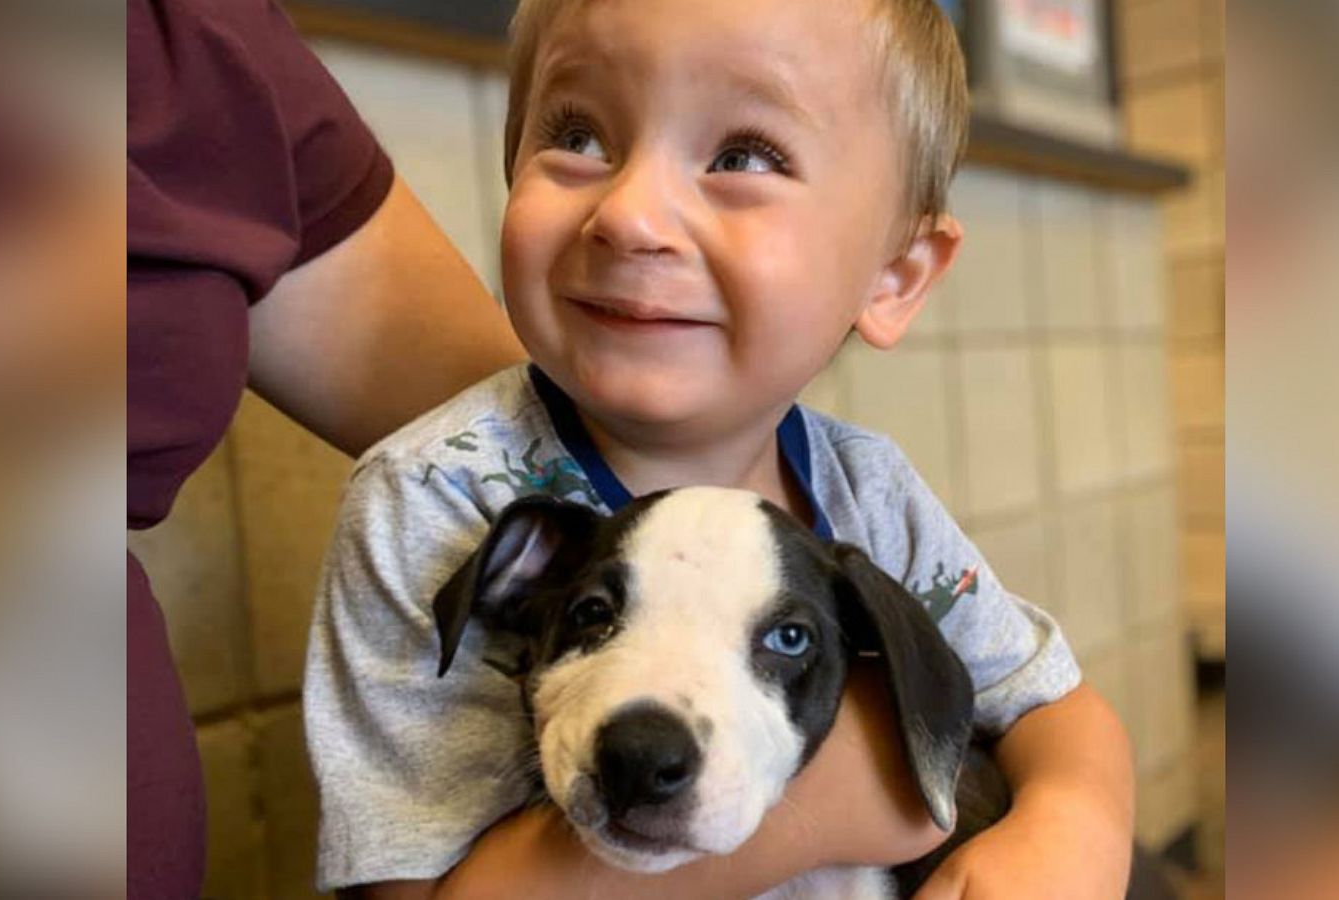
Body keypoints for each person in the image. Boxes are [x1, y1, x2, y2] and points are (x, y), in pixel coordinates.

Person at [305, 0, 1135, 897]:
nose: (627, 216)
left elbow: (1049, 705)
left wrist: (1073, 820)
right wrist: (839, 800)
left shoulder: (871, 495)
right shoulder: (431, 499)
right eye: (579, 135)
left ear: (893, 276)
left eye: (743, 157)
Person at [126, 0, 525, 896]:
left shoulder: (185, 35)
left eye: (741, 161)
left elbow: (527, 439)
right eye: (575, 142)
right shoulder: (394, 526)